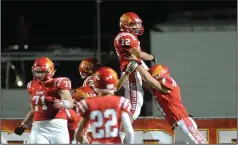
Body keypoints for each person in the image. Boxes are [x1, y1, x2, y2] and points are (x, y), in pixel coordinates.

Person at [119, 57, 208, 144]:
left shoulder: (167, 80)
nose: (152, 77)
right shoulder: (160, 88)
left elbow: (149, 80)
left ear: (159, 74)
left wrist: (137, 64)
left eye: (153, 75)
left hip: (183, 123)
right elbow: (146, 81)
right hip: (178, 127)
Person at [14, 57, 74, 144]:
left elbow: (71, 103)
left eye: (41, 72)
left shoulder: (58, 83)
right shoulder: (32, 85)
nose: (38, 75)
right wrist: (24, 125)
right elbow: (33, 109)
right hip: (39, 127)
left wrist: (62, 103)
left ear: (49, 71)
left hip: (58, 125)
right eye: (36, 72)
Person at [75, 67, 134, 144]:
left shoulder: (87, 104)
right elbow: (129, 131)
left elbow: (78, 135)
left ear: (95, 85)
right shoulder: (121, 102)